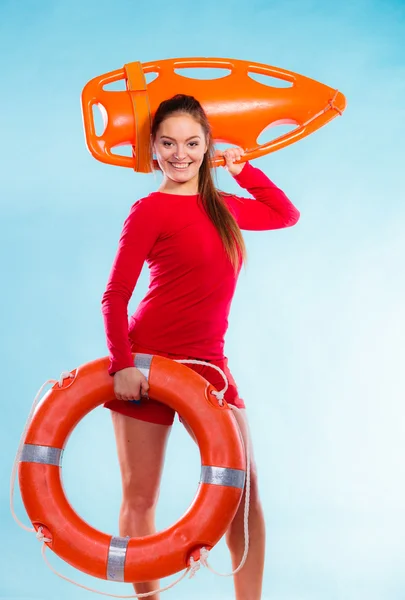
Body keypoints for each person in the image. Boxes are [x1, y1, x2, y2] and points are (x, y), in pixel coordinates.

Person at [101, 94, 300, 600]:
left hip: (209, 366)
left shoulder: (224, 208)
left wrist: (245, 170)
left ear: (207, 145)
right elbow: (116, 296)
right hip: (147, 363)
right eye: (168, 143)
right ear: (154, 149)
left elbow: (285, 215)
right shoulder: (148, 210)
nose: (180, 153)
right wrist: (123, 365)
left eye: (192, 142)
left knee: (244, 494)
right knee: (141, 496)